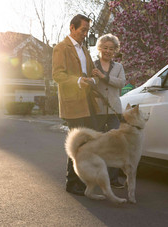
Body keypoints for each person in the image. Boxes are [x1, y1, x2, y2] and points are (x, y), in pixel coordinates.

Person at [52, 14, 99, 196]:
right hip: (73, 102)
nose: (85, 34)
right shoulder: (61, 48)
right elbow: (58, 75)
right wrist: (79, 80)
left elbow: (89, 72)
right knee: (77, 143)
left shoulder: (85, 50)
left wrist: (93, 77)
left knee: (86, 142)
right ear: (72, 28)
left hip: (88, 102)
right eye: (83, 30)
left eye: (87, 30)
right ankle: (72, 183)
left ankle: (81, 180)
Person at [92, 34, 126, 189]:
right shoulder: (92, 65)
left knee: (114, 145)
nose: (108, 51)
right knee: (96, 144)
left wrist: (104, 77)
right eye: (105, 47)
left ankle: (113, 179)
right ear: (99, 48)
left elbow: (121, 83)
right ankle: (95, 177)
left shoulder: (118, 67)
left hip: (114, 110)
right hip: (97, 110)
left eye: (111, 49)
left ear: (115, 51)